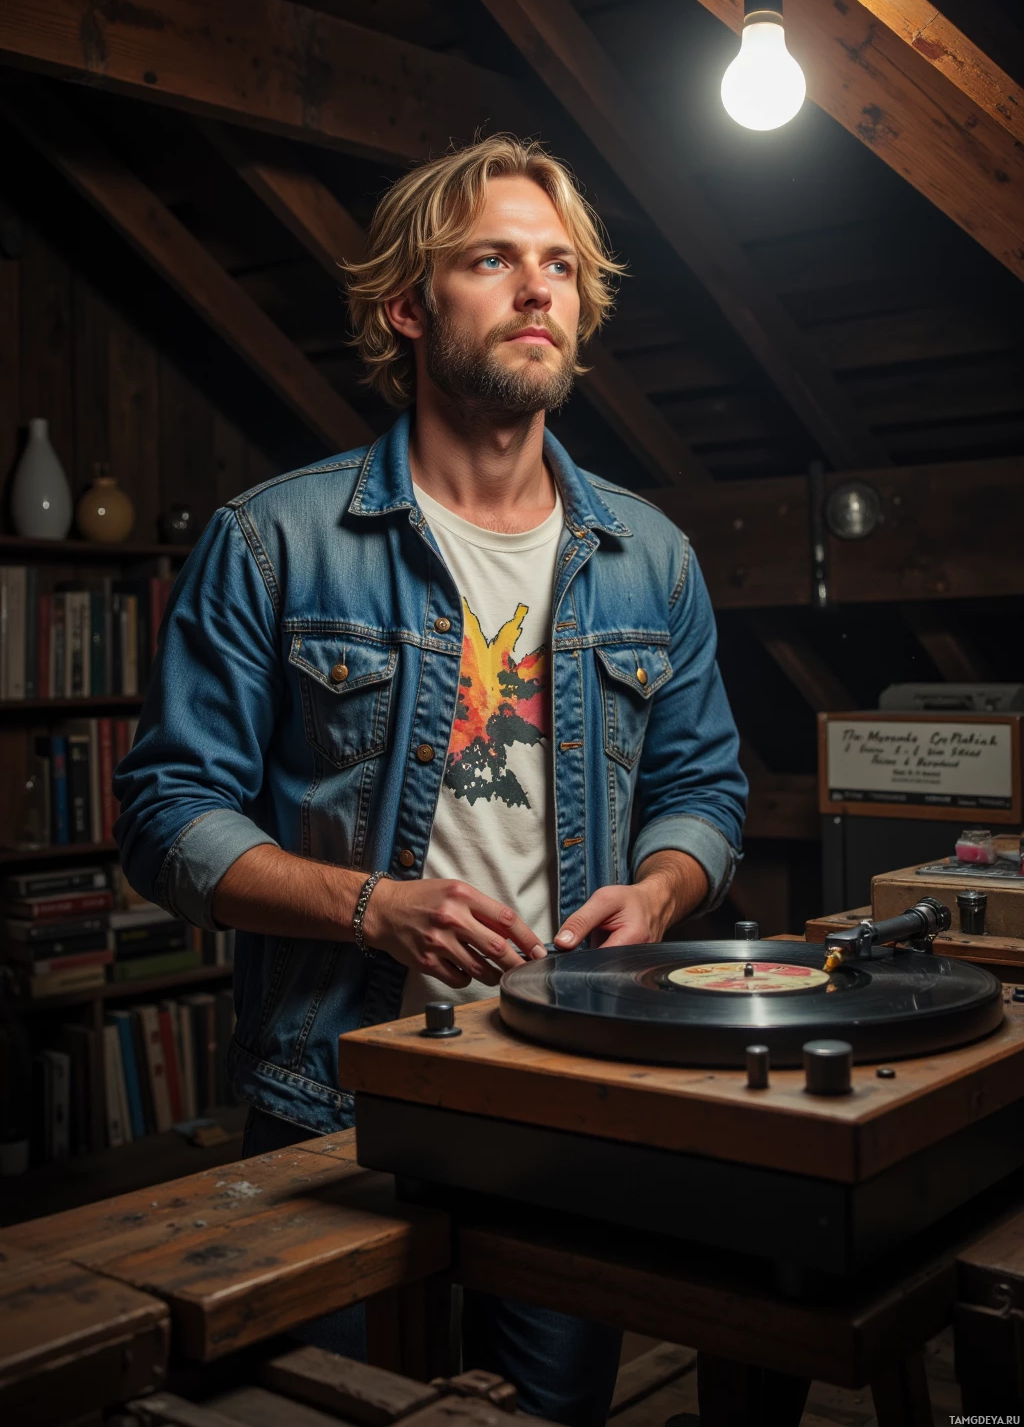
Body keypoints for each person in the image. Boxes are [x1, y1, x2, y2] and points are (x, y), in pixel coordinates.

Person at [114, 135, 747, 1426]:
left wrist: (662, 892)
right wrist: (368, 906)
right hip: (330, 1099)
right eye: (493, 259)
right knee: (322, 1409)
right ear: (408, 307)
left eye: (561, 265)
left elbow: (706, 791)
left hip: (571, 1087)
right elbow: (168, 817)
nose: (540, 287)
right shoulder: (273, 542)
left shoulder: (655, 560)